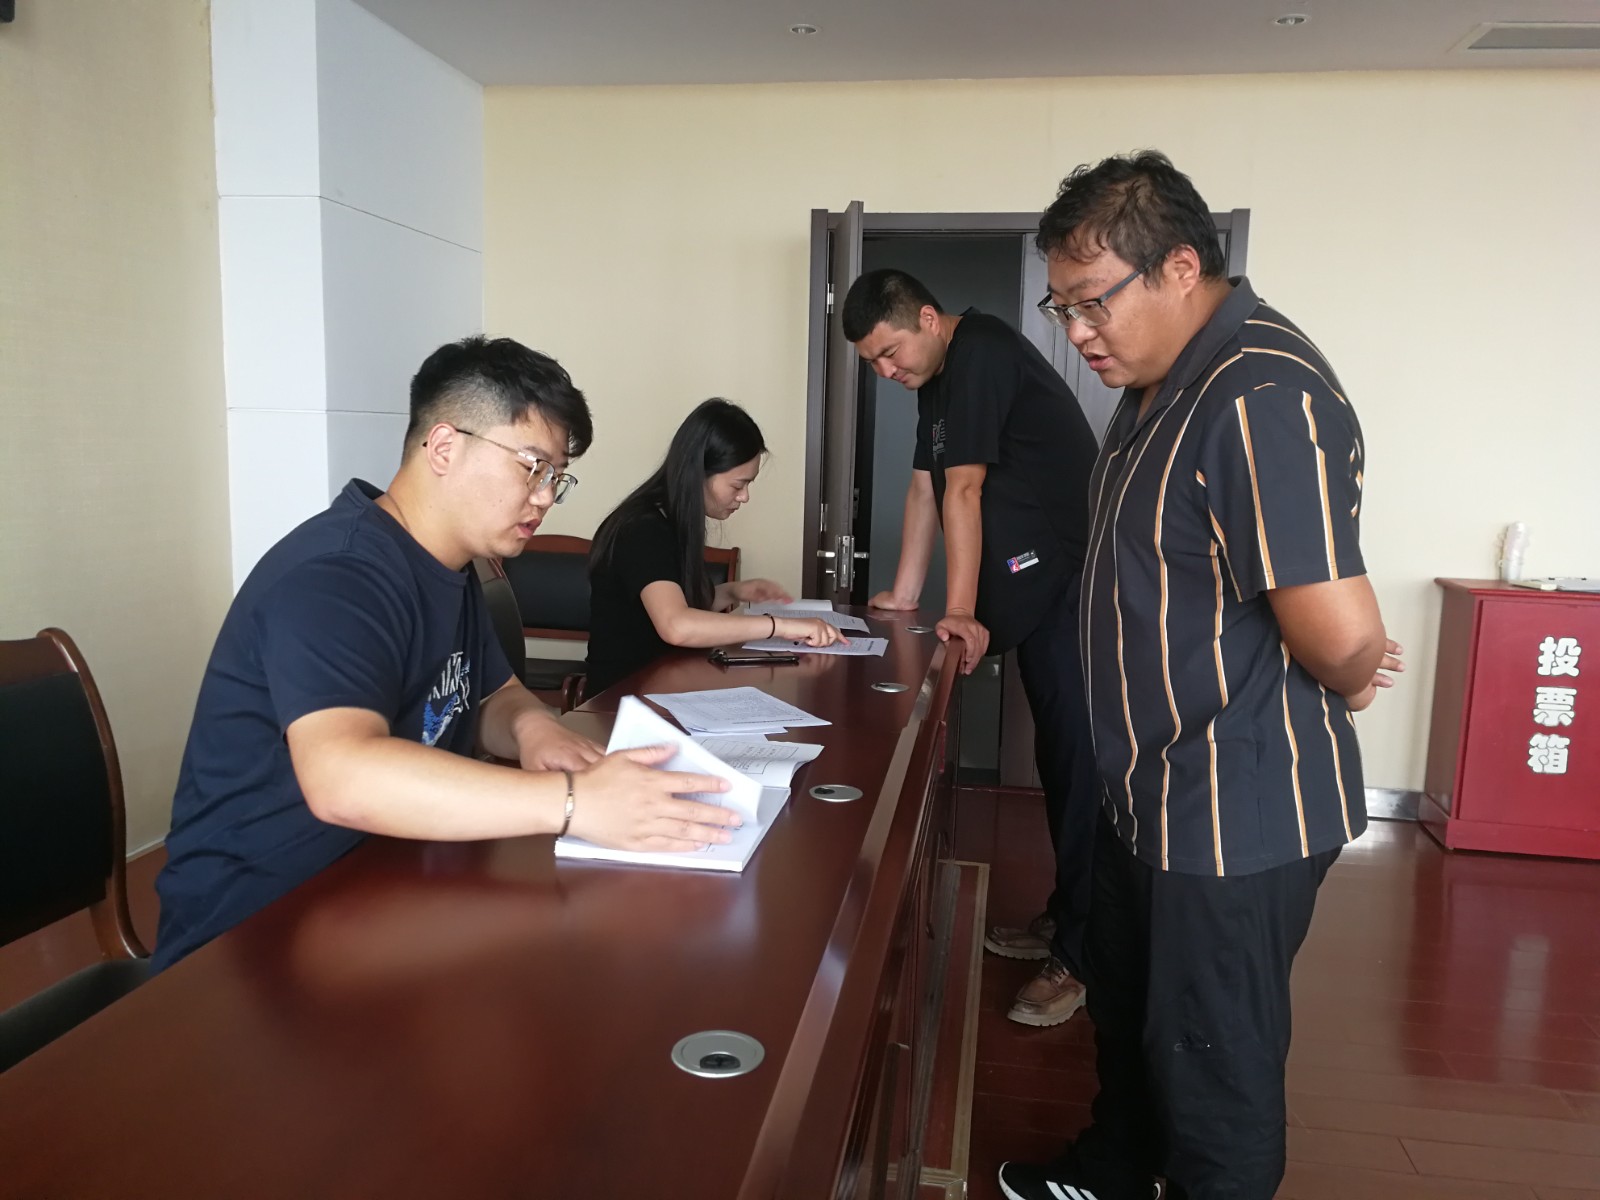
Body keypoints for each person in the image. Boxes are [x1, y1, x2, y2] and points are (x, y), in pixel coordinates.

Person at [997, 152, 1405, 1200]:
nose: (1076, 331)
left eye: (1091, 301)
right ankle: (1110, 1173)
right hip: (1152, 786)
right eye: (1061, 306)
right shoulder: (1158, 386)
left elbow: (1341, 635)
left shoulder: (1258, 393)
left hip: (1231, 809)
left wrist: (1355, 674)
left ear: (1180, 267)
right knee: (1132, 1014)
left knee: (1213, 1067)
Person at [153, 337, 744, 971]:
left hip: (389, 885)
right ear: (443, 447)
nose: (545, 497)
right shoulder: (336, 575)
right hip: (256, 933)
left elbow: (492, 693)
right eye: (533, 467)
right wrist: (574, 802)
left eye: (556, 477)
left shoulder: (452, 567)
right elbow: (342, 777)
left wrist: (536, 730)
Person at [842, 269, 1102, 1027]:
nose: (886, 372)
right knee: (1058, 758)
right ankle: (1068, 920)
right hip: (1041, 583)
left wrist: (958, 610)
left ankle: (1083, 957)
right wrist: (904, 594)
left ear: (928, 318)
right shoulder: (936, 380)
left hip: (1071, 583)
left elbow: (964, 489)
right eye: (872, 363)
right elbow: (924, 486)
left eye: (889, 352)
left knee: (1080, 767)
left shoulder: (981, 351)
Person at [585, 398, 841, 695]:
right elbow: (676, 625)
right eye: (738, 485)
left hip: (664, 684)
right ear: (699, 473)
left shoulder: (669, 521)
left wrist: (733, 592)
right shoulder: (641, 529)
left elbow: (675, 605)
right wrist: (780, 626)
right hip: (620, 698)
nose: (744, 497)